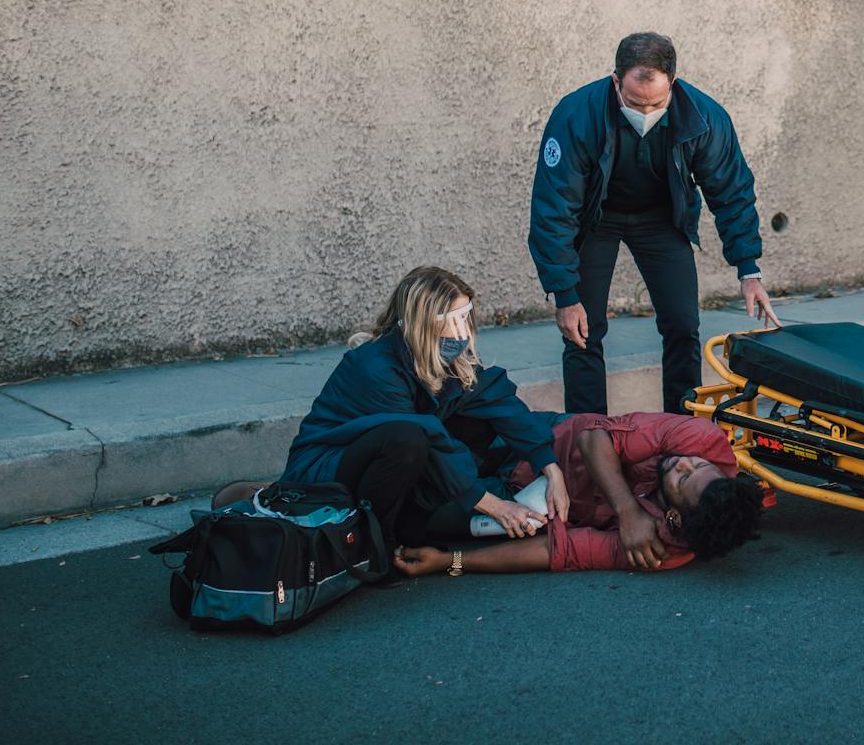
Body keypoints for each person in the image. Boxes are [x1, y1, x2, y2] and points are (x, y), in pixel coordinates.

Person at [530, 32, 778, 416]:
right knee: (582, 332)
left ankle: (681, 435)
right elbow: (553, 209)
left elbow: (732, 192)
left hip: (661, 220)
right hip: (596, 221)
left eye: (657, 103)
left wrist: (749, 269)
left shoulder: (705, 118)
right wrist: (564, 294)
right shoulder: (576, 115)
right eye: (633, 102)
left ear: (673, 85)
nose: (644, 112)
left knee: (683, 325)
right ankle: (589, 439)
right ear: (616, 81)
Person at [276, 266, 570, 549]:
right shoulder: (375, 368)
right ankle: (378, 546)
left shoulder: (440, 355)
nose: (463, 332)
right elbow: (425, 437)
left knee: (472, 414)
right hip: (326, 468)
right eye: (453, 320)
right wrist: (497, 508)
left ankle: (416, 521)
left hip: (386, 463)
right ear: (421, 323)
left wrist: (550, 467)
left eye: (466, 317)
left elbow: (497, 399)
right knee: (407, 439)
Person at [391, 411, 765, 577]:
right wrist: (628, 512)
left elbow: (559, 551)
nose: (683, 463)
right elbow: (593, 436)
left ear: (675, 518)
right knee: (437, 425)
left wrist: (449, 563)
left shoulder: (660, 549)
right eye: (698, 466)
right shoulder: (702, 440)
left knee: (416, 518)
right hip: (545, 439)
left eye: (683, 479)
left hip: (521, 499)